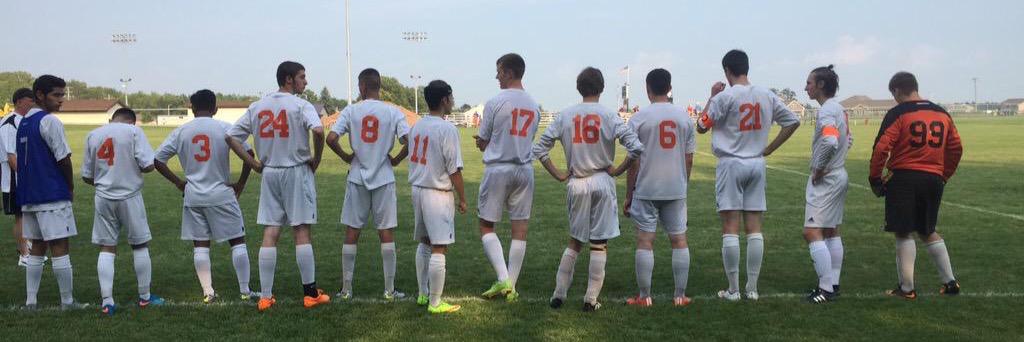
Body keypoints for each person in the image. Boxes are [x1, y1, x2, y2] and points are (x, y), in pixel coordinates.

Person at [534, 67, 642, 311]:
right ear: (602, 88)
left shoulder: (565, 115)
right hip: (602, 180)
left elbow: (539, 149)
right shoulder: (609, 115)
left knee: (574, 241)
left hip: (577, 181)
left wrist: (559, 174)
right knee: (599, 243)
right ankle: (590, 300)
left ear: (578, 88)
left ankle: (559, 295)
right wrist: (618, 169)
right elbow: (636, 148)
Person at [696, 50, 801, 301]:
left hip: (731, 163)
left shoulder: (725, 97)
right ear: (746, 68)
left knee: (730, 227)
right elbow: (793, 121)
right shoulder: (765, 94)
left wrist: (712, 97)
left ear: (726, 71)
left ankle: (733, 290)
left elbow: (701, 126)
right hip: (756, 163)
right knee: (754, 227)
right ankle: (752, 289)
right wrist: (770, 149)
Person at [226, 61, 329, 311]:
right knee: (301, 230)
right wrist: (316, 159)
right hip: (295, 171)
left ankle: (265, 296)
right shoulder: (302, 105)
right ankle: (310, 293)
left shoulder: (258, 106)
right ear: (289, 79)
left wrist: (253, 162)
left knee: (271, 232)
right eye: (302, 77)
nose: (306, 81)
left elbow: (230, 136)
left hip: (270, 172)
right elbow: (317, 131)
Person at [154, 89, 255, 304]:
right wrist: (241, 183)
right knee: (237, 241)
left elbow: (158, 160)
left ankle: (208, 291)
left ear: (192, 108)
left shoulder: (181, 132)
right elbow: (250, 155)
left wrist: (179, 182)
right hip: (222, 193)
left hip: (194, 195)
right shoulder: (225, 127)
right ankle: (245, 290)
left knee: (200, 244)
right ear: (216, 108)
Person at [870, 71, 962, 300]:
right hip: (933, 178)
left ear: (897, 90)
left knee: (903, 230)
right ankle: (950, 282)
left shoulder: (898, 113)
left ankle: (907, 288)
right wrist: (944, 175)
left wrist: (875, 178)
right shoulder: (942, 113)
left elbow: (881, 148)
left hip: (904, 178)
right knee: (927, 229)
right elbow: (956, 148)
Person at [326, 68, 410, 301]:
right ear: (378, 86)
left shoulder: (351, 110)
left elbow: (331, 138)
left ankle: (346, 289)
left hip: (357, 176)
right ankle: (390, 290)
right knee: (386, 233)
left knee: (352, 232)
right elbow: (409, 140)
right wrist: (396, 159)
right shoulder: (392, 112)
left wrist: (345, 156)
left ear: (362, 86)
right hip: (383, 175)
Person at [623, 69, 697, 307]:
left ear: (648, 88)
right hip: (675, 186)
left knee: (645, 241)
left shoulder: (638, 118)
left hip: (646, 187)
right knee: (679, 240)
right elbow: (689, 159)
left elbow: (633, 161)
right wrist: (683, 184)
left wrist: (629, 194)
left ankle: (644, 297)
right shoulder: (684, 118)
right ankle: (680, 296)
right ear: (669, 87)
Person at [473, 53, 541, 302]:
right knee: (519, 229)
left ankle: (504, 279)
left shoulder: (495, 102)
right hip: (524, 169)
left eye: (499, 71)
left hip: (498, 167)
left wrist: (482, 143)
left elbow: (484, 139)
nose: (497, 76)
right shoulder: (534, 105)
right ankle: (511, 286)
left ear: (509, 73)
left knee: (486, 225)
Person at [82, 107, 163, 315]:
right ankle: (145, 297)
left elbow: (86, 175)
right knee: (139, 245)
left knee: (107, 247)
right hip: (130, 196)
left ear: (111, 119)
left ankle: (107, 302)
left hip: (103, 197)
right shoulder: (134, 132)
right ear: (132, 122)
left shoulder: (94, 134)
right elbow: (148, 166)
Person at [18, 75, 86, 310]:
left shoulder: (24, 121)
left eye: (62, 95)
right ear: (40, 95)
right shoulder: (49, 121)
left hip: (29, 195)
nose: (61, 100)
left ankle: (31, 302)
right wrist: (70, 186)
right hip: (50, 193)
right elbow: (64, 159)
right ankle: (67, 301)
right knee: (59, 246)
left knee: (37, 247)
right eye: (56, 95)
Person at [407, 80, 467, 314]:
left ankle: (423, 294)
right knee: (439, 246)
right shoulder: (447, 128)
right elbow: (454, 169)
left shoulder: (417, 126)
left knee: (424, 242)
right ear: (444, 100)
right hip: (437, 192)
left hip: (418, 189)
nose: (453, 101)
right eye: (451, 97)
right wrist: (462, 198)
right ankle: (435, 301)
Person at [800, 65, 850, 303]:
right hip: (839, 174)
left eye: (809, 82)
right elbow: (847, 140)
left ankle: (825, 288)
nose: (806, 87)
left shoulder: (827, 110)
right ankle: (834, 283)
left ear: (820, 85)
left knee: (811, 232)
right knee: (831, 230)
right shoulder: (838, 108)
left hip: (827, 178)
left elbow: (831, 141)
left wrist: (820, 168)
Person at [2, 88, 33, 266]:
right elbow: (11, 155)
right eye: (30, 100)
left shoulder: (22, 121)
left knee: (26, 215)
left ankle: (27, 247)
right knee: (20, 216)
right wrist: (25, 177)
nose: (32, 104)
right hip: (14, 178)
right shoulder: (9, 122)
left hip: (23, 176)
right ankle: (24, 255)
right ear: (20, 101)